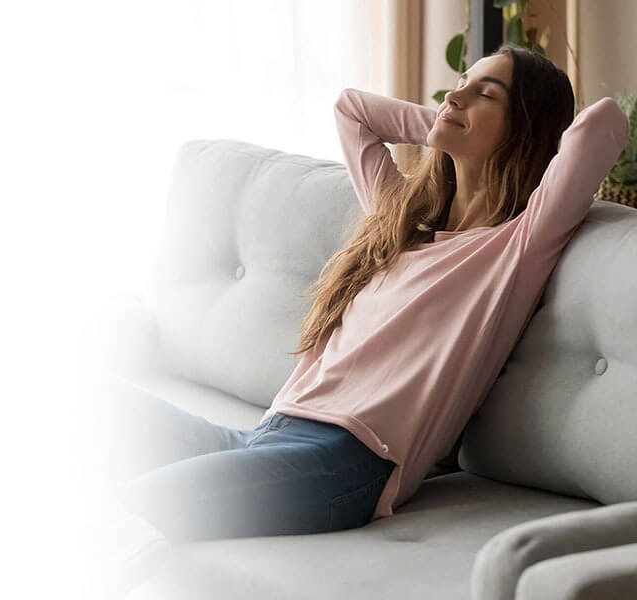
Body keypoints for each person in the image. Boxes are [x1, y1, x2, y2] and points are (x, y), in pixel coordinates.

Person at [103, 41, 629, 564]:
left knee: (135, 510)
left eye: (484, 92)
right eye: (459, 81)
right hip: (266, 434)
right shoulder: (400, 222)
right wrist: (451, 120)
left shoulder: (516, 246)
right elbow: (351, 110)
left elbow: (603, 124)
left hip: (345, 464)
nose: (456, 92)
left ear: (525, 127)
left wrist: (474, 129)